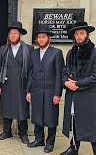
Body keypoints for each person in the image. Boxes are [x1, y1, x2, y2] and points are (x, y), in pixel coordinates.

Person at [26, 24, 64, 153]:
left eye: (43, 37)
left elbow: (59, 75)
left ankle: (50, 142)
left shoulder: (56, 53)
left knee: (51, 118)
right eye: (39, 37)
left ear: (49, 38)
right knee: (37, 116)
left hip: (50, 91)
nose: (41, 39)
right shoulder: (34, 53)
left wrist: (57, 93)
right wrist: (29, 90)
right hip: (36, 90)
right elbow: (31, 73)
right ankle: (39, 139)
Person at [60, 22, 96, 155]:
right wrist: (65, 83)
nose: (79, 36)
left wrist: (77, 84)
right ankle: (74, 148)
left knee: (92, 126)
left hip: (88, 96)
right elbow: (64, 72)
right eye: (77, 34)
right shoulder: (70, 53)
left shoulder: (94, 53)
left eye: (82, 33)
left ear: (88, 34)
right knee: (74, 121)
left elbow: (94, 76)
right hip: (73, 95)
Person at [0, 21, 33, 144]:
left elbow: (32, 70)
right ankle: (7, 131)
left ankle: (23, 133)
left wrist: (30, 88)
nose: (12, 36)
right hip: (7, 83)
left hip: (22, 84)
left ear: (20, 35)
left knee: (22, 109)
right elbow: (0, 67)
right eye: (11, 33)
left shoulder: (29, 49)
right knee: (7, 107)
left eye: (15, 33)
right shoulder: (3, 49)